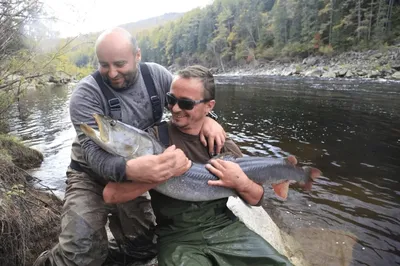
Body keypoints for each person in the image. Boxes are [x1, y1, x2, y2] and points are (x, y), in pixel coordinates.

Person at [34, 28, 226, 266]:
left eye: (120, 63)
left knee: (143, 246)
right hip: (89, 175)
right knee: (79, 254)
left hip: (139, 173)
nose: (112, 73)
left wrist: (210, 118)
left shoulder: (157, 76)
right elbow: (95, 157)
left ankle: (107, 251)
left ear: (137, 55)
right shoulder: (84, 96)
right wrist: (132, 170)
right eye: (104, 65)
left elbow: (190, 101)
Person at [103, 65, 293, 266]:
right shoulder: (153, 140)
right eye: (171, 99)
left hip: (226, 229)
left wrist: (241, 182)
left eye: (185, 103)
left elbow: (256, 200)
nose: (175, 108)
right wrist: (161, 173)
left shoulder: (222, 145)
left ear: (209, 106)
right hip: (178, 239)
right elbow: (111, 194)